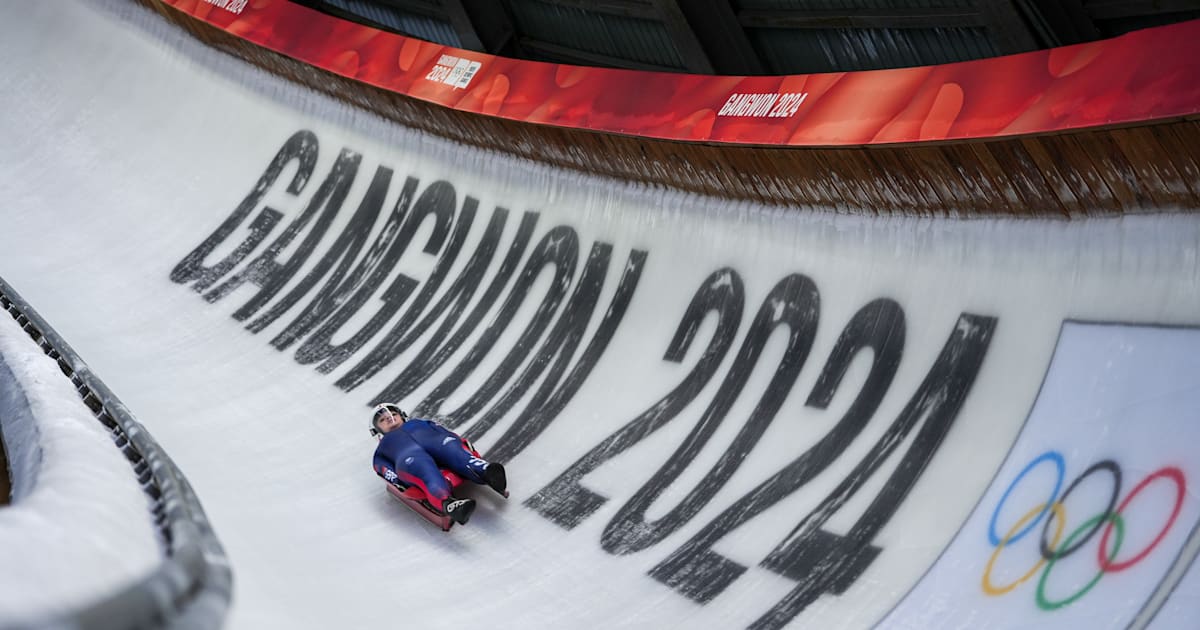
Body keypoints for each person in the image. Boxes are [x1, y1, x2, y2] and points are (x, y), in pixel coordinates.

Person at [370, 403, 507, 525]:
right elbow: (382, 469)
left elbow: (446, 433)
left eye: (393, 414)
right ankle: (449, 503)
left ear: (402, 416)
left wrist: (460, 444)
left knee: (452, 449)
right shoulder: (382, 449)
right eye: (382, 420)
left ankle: (486, 471)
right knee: (424, 469)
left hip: (436, 442)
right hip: (409, 456)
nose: (389, 418)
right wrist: (400, 484)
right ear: (377, 430)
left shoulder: (420, 423)